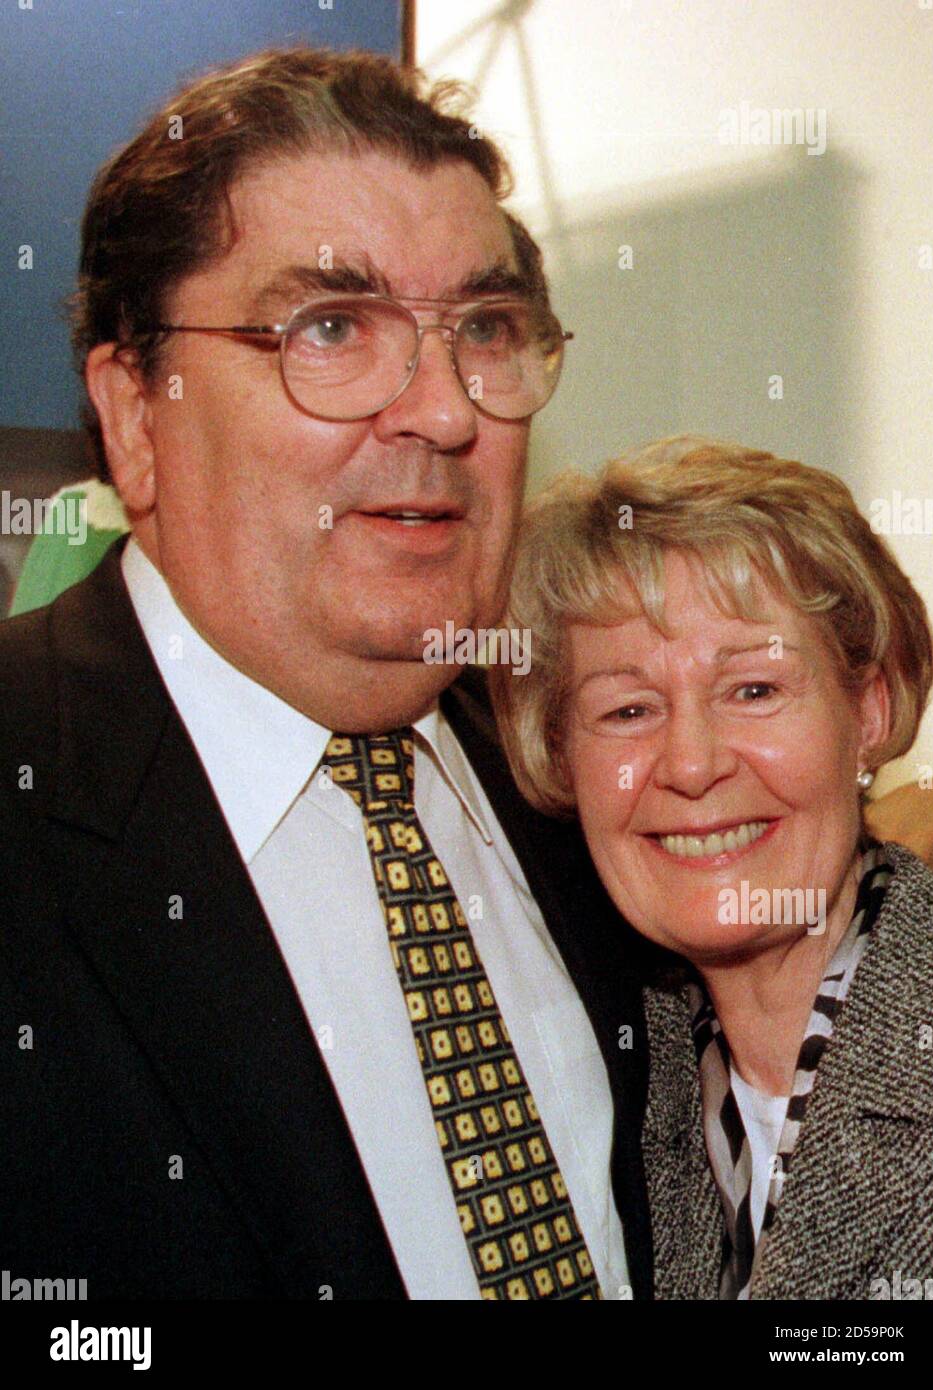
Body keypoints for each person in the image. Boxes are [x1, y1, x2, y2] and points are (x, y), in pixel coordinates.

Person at [0, 48, 652, 1301]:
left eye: (485, 330)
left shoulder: (583, 774)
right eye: (333, 328)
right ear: (135, 415)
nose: (444, 412)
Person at [491, 436, 933, 1299]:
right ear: (560, 759)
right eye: (628, 709)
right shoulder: (612, 1084)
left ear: (870, 709)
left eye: (754, 690)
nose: (693, 765)